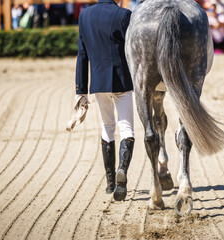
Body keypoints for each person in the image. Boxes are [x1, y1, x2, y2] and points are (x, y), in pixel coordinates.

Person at [75, 0, 134, 201]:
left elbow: (82, 55)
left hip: (98, 84)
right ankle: (122, 171)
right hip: (122, 81)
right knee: (127, 129)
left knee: (107, 127)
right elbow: (133, 52)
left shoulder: (84, 15)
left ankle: (110, 184)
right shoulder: (124, 15)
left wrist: (80, 89)